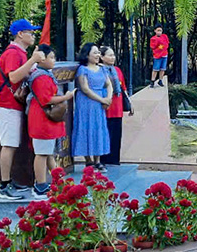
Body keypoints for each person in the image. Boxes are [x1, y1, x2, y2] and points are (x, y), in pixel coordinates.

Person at [0, 18, 45, 200]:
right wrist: (32, 60)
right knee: (8, 144)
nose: (33, 36)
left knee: (12, 144)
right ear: (20, 34)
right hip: (6, 103)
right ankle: (4, 186)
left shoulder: (20, 53)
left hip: (14, 103)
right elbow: (14, 77)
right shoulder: (12, 53)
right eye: (30, 32)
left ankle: (9, 180)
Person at [26, 45, 75, 199]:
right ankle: (40, 186)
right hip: (42, 119)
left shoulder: (42, 74)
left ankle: (58, 182)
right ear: (42, 59)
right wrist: (66, 97)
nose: (54, 60)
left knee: (47, 153)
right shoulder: (41, 77)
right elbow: (46, 99)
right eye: (51, 57)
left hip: (43, 117)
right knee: (41, 154)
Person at [73, 43, 113, 171]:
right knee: (86, 127)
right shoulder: (82, 69)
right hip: (86, 102)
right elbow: (85, 89)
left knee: (98, 128)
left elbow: (108, 84)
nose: (97, 55)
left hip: (99, 103)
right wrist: (102, 100)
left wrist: (108, 98)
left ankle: (98, 160)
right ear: (87, 55)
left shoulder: (102, 69)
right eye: (94, 53)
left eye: (98, 53)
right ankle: (88, 160)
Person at [100, 46, 133, 167]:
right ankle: (103, 160)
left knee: (116, 135)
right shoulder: (99, 71)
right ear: (102, 57)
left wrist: (129, 103)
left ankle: (114, 160)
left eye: (113, 55)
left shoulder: (117, 70)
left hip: (117, 107)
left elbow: (123, 88)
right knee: (105, 135)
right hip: (105, 108)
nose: (112, 57)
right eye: (109, 55)